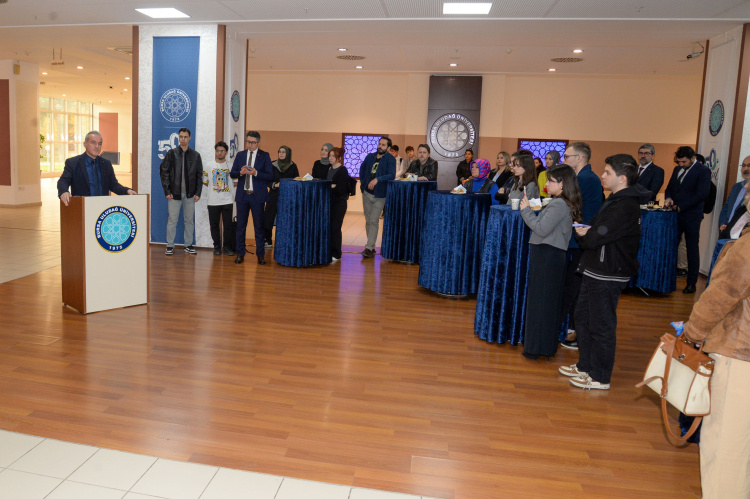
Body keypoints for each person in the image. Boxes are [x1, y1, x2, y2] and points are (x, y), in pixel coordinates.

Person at [682, 181, 750, 498]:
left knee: (726, 444)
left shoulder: (747, 247)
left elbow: (721, 296)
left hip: (740, 354)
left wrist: (692, 333)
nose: (746, 196)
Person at [559, 154, 645, 390]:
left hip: (608, 271)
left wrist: (587, 234)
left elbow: (595, 237)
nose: (603, 176)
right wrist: (588, 232)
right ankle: (585, 366)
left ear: (622, 178)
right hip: (595, 267)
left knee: (601, 325)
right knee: (583, 318)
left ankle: (600, 377)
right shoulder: (615, 200)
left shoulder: (625, 205)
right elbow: (594, 229)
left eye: (608, 172)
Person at [519, 165, 582, 360]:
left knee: (541, 303)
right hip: (550, 254)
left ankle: (536, 348)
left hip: (547, 254)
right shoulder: (560, 202)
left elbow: (540, 229)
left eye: (551, 180)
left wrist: (525, 210)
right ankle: (542, 347)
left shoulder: (559, 204)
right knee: (545, 302)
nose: (546, 184)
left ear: (562, 184)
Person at [559, 142, 603, 349]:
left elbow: (569, 204)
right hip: (579, 238)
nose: (564, 160)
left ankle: (569, 329)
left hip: (581, 240)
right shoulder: (583, 177)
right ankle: (570, 327)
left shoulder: (585, 179)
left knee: (573, 287)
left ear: (579, 158)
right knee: (574, 287)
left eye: (567, 156)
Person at [664, 146, 712, 294]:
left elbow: (701, 194)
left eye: (684, 162)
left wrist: (681, 206)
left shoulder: (703, 171)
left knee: (692, 249)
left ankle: (691, 283)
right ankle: (668, 280)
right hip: (675, 215)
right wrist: (668, 198)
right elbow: (669, 188)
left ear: (693, 158)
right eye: (679, 162)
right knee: (671, 246)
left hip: (692, 216)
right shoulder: (677, 169)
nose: (681, 164)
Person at [58, 131, 136, 206]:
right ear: (85, 144)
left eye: (99, 143)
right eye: (93, 142)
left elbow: (114, 185)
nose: (97, 146)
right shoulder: (73, 162)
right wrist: (64, 192)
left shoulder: (106, 164)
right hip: (82, 207)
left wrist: (127, 191)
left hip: (103, 208)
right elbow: (63, 181)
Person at [230, 131, 273, 265]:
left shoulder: (264, 156)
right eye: (248, 142)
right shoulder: (240, 155)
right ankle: (240, 254)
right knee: (240, 227)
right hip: (242, 196)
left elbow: (270, 175)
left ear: (258, 143)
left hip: (257, 197)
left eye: (253, 142)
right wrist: (240, 172)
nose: (250, 144)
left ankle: (260, 255)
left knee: (259, 227)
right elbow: (232, 173)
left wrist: (256, 173)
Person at [159, 127, 203, 255]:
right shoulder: (171, 154)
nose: (183, 139)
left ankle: (188, 245)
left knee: (189, 220)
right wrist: (167, 191)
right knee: (172, 220)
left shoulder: (196, 155)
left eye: (185, 137)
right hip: (174, 194)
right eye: (181, 137)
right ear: (179, 138)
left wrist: (198, 193)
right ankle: (170, 245)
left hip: (190, 194)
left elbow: (199, 176)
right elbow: (164, 172)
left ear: (189, 138)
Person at [359, 136, 396, 258]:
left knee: (374, 220)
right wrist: (363, 185)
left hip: (380, 195)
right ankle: (371, 245)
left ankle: (369, 247)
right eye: (379, 144)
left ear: (388, 148)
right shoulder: (370, 157)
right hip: (367, 194)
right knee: (368, 221)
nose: (380, 146)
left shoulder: (390, 159)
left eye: (383, 145)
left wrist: (377, 179)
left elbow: (391, 175)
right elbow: (362, 169)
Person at [263, 146, 299, 247]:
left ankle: (284, 241)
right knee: (268, 217)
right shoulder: (272, 165)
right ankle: (268, 240)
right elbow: (267, 180)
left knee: (285, 219)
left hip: (287, 197)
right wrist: (275, 185)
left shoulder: (293, 166)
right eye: (280, 152)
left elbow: (297, 180)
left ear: (288, 154)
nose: (281, 154)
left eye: (283, 152)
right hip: (274, 195)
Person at [203, 141, 235, 256]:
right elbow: (205, 182)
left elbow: (235, 182)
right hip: (213, 200)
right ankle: (216, 246)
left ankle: (227, 247)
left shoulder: (231, 165)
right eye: (217, 151)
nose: (219, 153)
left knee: (228, 225)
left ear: (226, 152)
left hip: (227, 200)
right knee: (214, 225)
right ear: (215, 152)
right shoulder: (208, 165)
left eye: (222, 151)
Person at [328, 147, 351, 261]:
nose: (331, 158)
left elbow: (340, 189)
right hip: (329, 202)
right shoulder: (329, 169)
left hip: (339, 203)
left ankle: (336, 254)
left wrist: (331, 186)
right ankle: (329, 250)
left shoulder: (342, 170)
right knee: (329, 227)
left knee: (335, 227)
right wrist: (331, 186)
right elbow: (328, 185)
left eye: (333, 156)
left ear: (339, 158)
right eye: (330, 156)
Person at [718, 156, 749, 233]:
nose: (745, 169)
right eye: (743, 165)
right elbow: (727, 207)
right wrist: (723, 223)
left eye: (749, 165)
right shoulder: (737, 186)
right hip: (727, 230)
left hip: (742, 233)